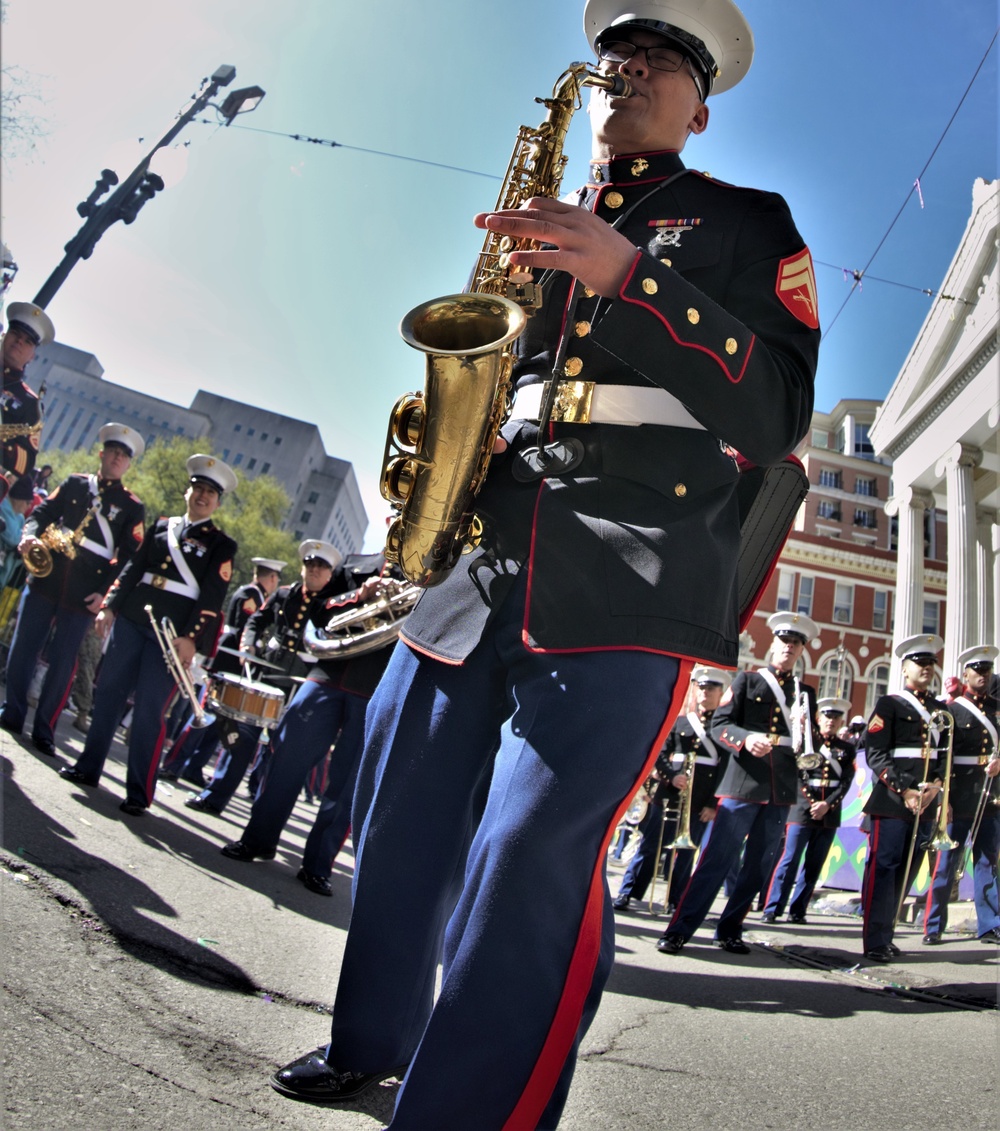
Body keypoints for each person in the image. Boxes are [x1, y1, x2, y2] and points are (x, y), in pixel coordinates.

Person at [271, 2, 819, 1125]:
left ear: (700, 108)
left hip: (635, 563)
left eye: (661, 60)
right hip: (482, 555)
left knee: (527, 855)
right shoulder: (547, 218)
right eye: (619, 55)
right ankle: (370, 1040)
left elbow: (772, 411)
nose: (630, 71)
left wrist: (634, 279)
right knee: (398, 809)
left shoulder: (747, 220)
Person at [59, 455, 237, 816]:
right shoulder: (161, 526)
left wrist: (191, 638)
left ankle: (139, 791)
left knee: (149, 711)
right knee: (107, 696)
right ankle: (88, 767)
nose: (202, 496)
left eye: (210, 493)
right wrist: (110, 606)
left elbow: (212, 597)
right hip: (131, 620)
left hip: (172, 638)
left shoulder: (222, 545)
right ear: (187, 491)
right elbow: (132, 569)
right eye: (198, 488)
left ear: (217, 502)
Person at [219, 550, 396, 899]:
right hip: (327, 673)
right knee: (286, 755)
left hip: (379, 686)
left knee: (348, 784)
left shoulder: (435, 569)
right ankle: (258, 840)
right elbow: (318, 611)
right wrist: (358, 596)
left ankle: (318, 865)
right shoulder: (354, 564)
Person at [658, 611, 819, 956]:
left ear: (801, 650)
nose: (788, 648)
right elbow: (720, 724)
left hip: (780, 788)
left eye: (796, 644)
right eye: (784, 641)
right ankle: (680, 929)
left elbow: (809, 745)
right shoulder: (748, 681)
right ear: (772, 644)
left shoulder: (804, 693)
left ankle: (730, 928)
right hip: (743, 782)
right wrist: (745, 740)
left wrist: (808, 731)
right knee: (717, 859)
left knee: (760, 864)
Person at [0, 424, 146, 755]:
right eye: (112, 451)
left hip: (85, 593)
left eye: (122, 456)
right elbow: (42, 512)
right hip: (46, 577)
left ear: (127, 464)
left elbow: (130, 559)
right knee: (23, 648)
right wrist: (29, 534)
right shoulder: (76, 483)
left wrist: (107, 595)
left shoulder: (131, 506)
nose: (116, 458)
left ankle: (45, 729)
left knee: (63, 662)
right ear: (101, 454)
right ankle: (13, 712)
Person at [186, 542, 342, 816]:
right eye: (310, 565)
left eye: (321, 567)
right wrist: (248, 645)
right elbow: (257, 620)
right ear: (303, 568)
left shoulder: (333, 604)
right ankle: (214, 797)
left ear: (330, 574)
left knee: (280, 750)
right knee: (241, 739)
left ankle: (260, 814)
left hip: (301, 684)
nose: (314, 571)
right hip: (267, 673)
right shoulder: (284, 594)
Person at [613, 665, 729, 912]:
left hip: (700, 800)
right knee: (650, 845)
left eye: (711, 690)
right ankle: (629, 892)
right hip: (669, 794)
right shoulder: (680, 723)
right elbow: (660, 753)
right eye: (702, 689)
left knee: (686, 853)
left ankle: (676, 898)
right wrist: (672, 776)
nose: (705, 694)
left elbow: (725, 768)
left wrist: (712, 804)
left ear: (721, 694)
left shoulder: (722, 729)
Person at [160, 555, 285, 785]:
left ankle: (194, 767)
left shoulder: (257, 596)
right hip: (229, 661)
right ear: (272, 577)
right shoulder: (250, 596)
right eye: (275, 578)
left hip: (237, 665)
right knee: (205, 715)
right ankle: (174, 763)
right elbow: (243, 630)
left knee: (224, 723)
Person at [859, 633, 947, 962]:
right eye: (919, 663)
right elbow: (877, 755)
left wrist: (935, 788)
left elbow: (942, 757)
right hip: (894, 801)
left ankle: (888, 932)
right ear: (905, 668)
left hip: (926, 803)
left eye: (930, 663)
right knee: (884, 867)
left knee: (906, 872)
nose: (926, 668)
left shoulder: (940, 710)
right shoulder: (890, 704)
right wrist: (907, 789)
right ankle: (874, 940)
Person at [922, 645, 1000, 946]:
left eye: (987, 671)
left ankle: (990, 924)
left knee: (987, 861)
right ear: (965, 674)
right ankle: (933, 925)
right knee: (945, 864)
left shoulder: (997, 709)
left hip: (990, 795)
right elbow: (941, 759)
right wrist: (944, 800)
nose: (983, 676)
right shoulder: (951, 711)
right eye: (977, 671)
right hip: (958, 797)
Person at [760, 696, 856, 923]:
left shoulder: (846, 750)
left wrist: (827, 804)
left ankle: (798, 910)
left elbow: (846, 782)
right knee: (790, 859)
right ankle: (772, 908)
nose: (830, 722)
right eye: (826, 717)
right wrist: (814, 802)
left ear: (841, 721)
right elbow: (799, 776)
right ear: (818, 718)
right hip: (803, 808)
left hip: (829, 811)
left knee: (814, 864)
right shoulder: (805, 743)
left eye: (835, 718)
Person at [1, 302, 54, 490]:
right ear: (5, 335)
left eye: (28, 341)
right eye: (15, 333)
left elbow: (24, 464)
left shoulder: (31, 404)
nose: (19, 342)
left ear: (32, 356)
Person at [0, 474, 34, 589]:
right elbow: (13, 538)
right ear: (19, 498)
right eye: (28, 502)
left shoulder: (20, 518)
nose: (29, 507)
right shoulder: (2, 506)